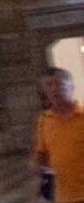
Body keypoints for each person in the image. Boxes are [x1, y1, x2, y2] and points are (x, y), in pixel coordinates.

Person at [31, 67, 84, 203]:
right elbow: (41, 153)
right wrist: (36, 163)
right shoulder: (44, 119)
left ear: (71, 86)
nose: (54, 89)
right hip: (64, 196)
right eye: (48, 85)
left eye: (59, 83)